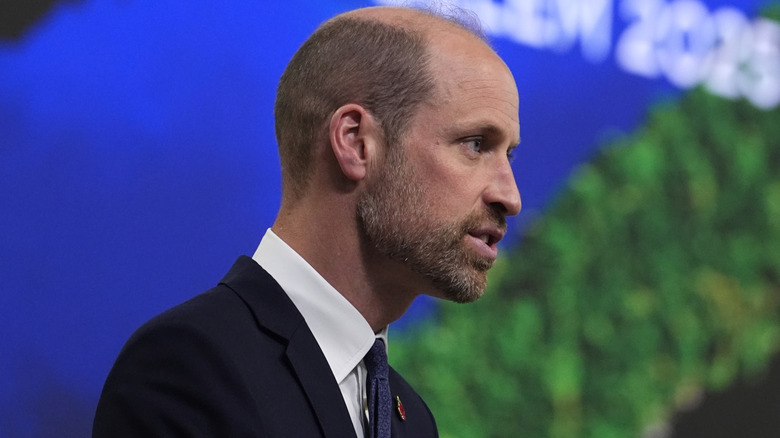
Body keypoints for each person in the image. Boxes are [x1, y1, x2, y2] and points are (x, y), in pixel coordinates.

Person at [93, 5, 521, 438]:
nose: (511, 196)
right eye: (475, 144)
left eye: (509, 154)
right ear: (355, 143)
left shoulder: (411, 418)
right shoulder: (188, 367)